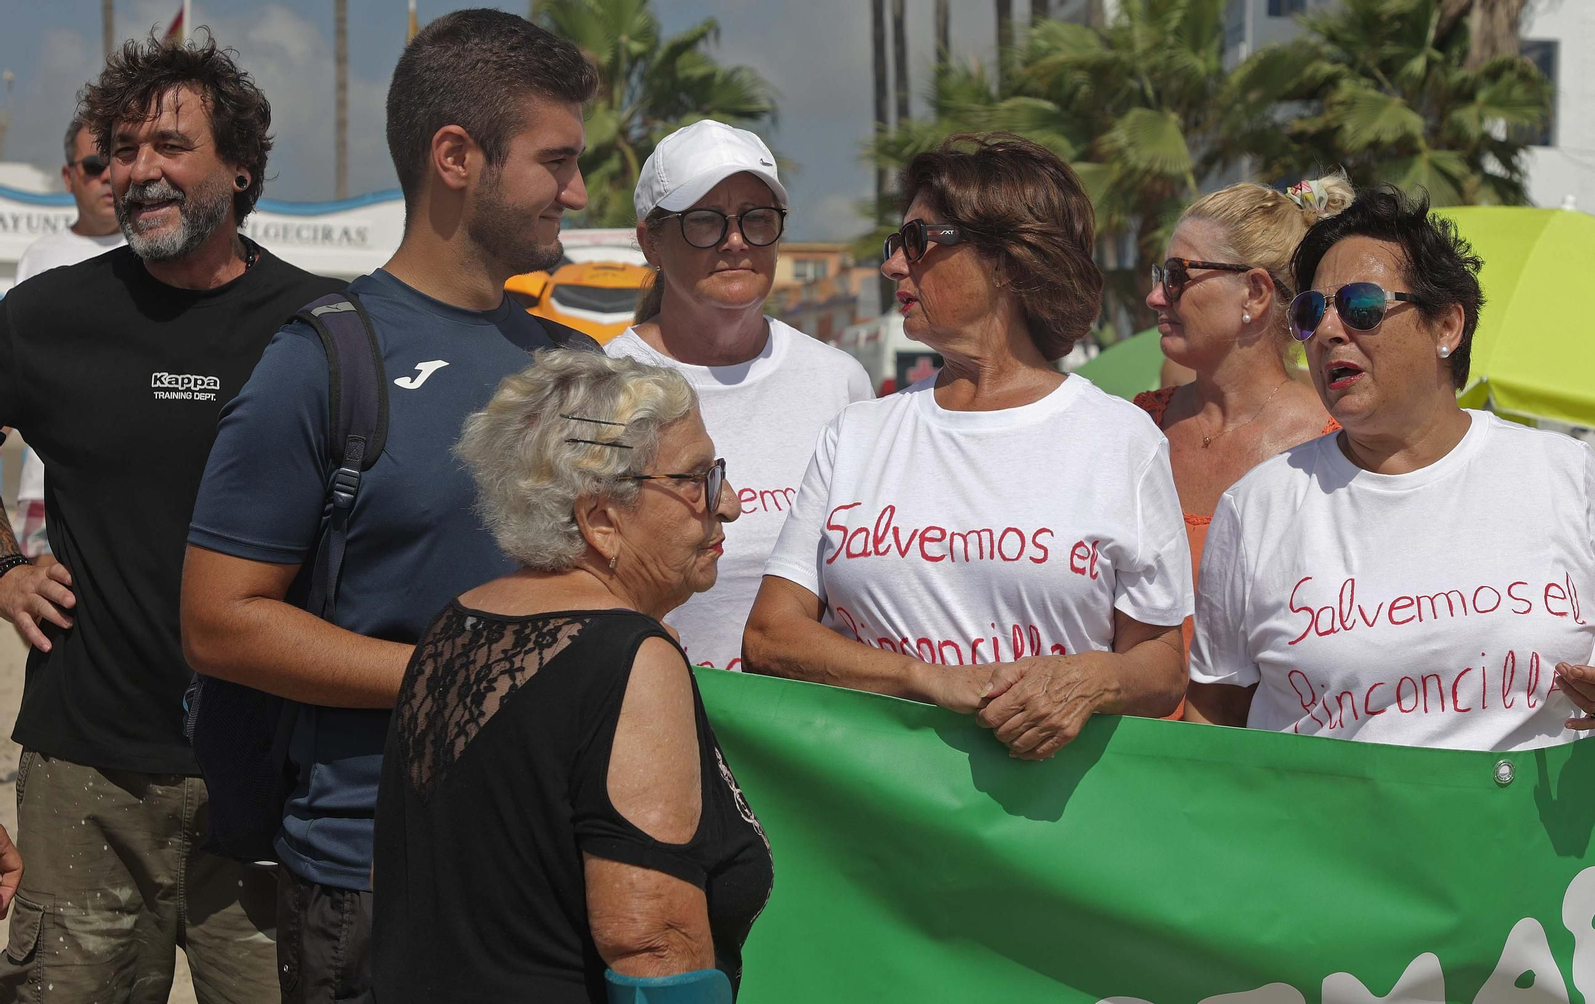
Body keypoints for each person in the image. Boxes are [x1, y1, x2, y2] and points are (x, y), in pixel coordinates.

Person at [180, 11, 599, 1001]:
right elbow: (218, 621)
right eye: (557, 161)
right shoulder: (322, 360)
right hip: (373, 868)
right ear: (456, 156)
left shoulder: (571, 365)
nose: (577, 193)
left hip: (552, 855)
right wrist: (457, 675)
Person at [0, 33, 344, 1002]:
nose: (138, 171)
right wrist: (3, 569)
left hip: (275, 774)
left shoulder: (320, 324)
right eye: (120, 149)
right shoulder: (46, 316)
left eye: (169, 146)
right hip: (87, 773)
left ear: (239, 167)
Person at [743, 135, 1192, 759]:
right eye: (894, 245)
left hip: (1047, 827)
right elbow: (769, 637)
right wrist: (926, 680)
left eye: (918, 241)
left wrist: (1090, 681)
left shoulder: (1120, 439)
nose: (893, 265)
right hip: (870, 809)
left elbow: (1162, 664)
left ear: (1007, 261)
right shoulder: (856, 436)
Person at [372, 349, 770, 1003]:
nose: (726, 503)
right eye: (697, 478)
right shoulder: (628, 657)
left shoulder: (456, 625)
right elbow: (654, 942)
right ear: (602, 519)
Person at [1187, 187, 1595, 750]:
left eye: (1361, 307)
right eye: (1311, 313)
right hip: (1324, 836)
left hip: (1530, 835)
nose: (1330, 332)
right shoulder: (1256, 508)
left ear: (1447, 327)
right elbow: (1214, 720)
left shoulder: (1569, 478)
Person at [606, 120, 873, 672]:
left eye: (757, 219)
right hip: (658, 725)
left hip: (806, 737)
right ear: (650, 241)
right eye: (704, 220)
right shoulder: (602, 384)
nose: (735, 241)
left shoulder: (839, 381)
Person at [1137, 177, 1347, 673]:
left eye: (1176, 275)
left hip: (1267, 744)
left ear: (1253, 293)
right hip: (1130, 741)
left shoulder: (1341, 446)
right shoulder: (1138, 425)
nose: (1155, 297)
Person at [10, 115, 127, 565]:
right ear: (68, 175)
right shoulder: (39, 258)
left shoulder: (156, 257)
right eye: (93, 165)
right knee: (45, 626)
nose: (105, 177)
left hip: (129, 492)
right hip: (44, 489)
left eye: (114, 161)